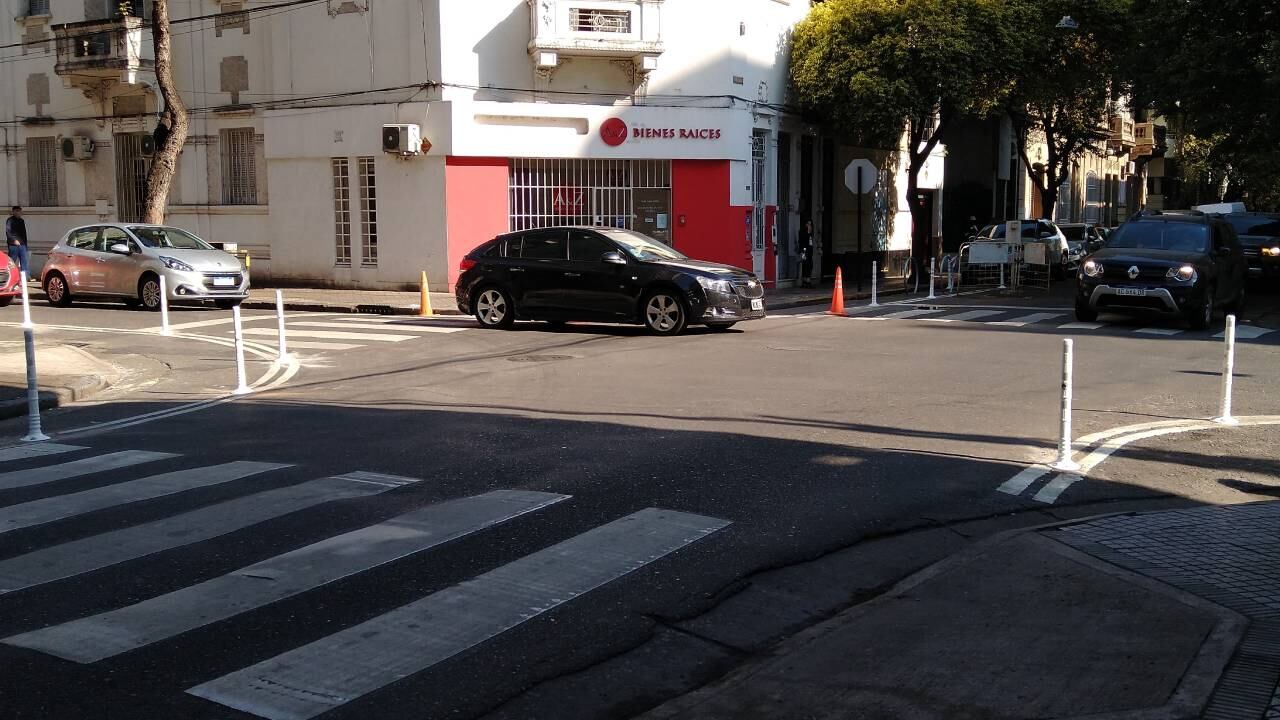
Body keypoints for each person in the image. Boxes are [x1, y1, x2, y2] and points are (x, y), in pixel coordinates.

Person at [6, 206, 28, 280]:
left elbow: (24, 233)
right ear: (13, 212)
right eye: (17, 211)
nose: (19, 213)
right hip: (13, 245)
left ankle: (24, 278)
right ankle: (9, 277)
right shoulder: (10, 220)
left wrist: (25, 244)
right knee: (12, 261)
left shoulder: (22, 221)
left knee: (24, 262)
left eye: (20, 211)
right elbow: (8, 232)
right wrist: (14, 240)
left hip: (22, 245)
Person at [797, 219, 814, 288]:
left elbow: (811, 242)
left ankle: (808, 280)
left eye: (810, 224)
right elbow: (802, 241)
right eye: (808, 224)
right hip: (804, 250)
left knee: (810, 264)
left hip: (810, 251)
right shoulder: (802, 232)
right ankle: (804, 281)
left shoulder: (811, 232)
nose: (809, 226)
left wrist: (810, 232)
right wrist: (802, 252)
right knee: (805, 264)